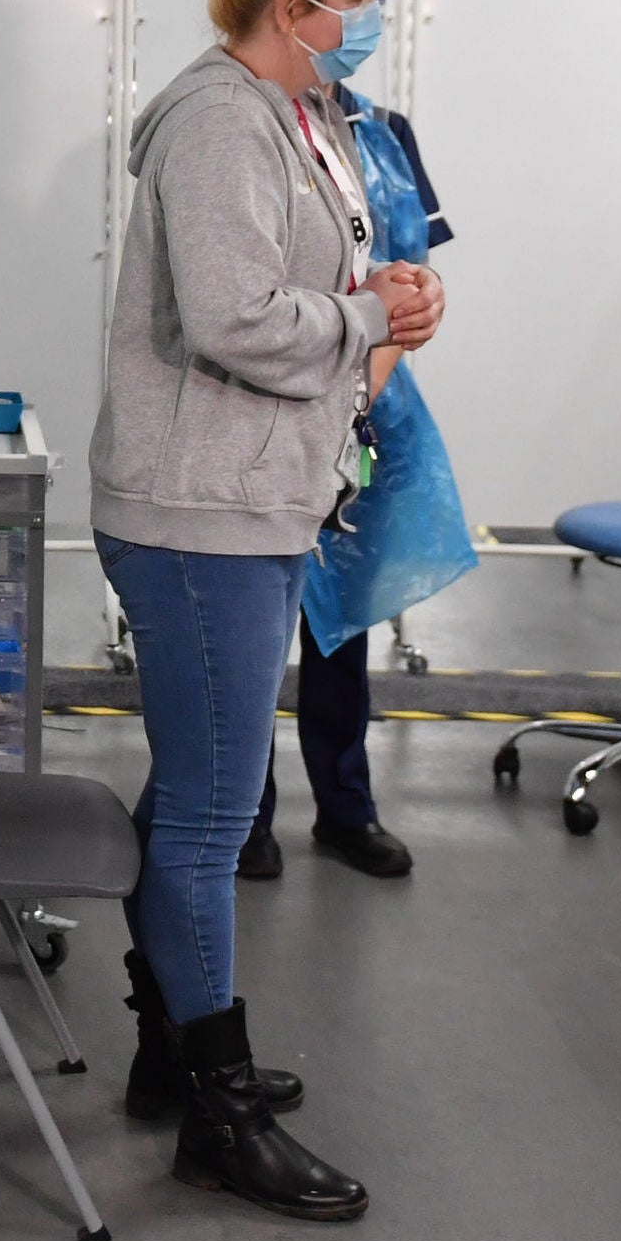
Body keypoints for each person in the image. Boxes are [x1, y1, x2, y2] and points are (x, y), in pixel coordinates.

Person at [89, 0, 442, 1220]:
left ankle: (167, 1048)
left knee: (196, 787)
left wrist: (389, 295)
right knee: (212, 810)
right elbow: (235, 317)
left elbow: (316, 277)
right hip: (199, 517)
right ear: (295, 6)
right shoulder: (221, 127)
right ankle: (214, 1112)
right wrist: (364, 321)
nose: (373, 16)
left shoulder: (297, 112)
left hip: (249, 497)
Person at [241, 64, 475, 884]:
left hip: (370, 403)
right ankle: (246, 817)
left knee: (342, 620)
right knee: (253, 628)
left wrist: (360, 393)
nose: (363, 14)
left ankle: (345, 807)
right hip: (267, 403)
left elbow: (416, 277)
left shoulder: (383, 133)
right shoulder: (246, 129)